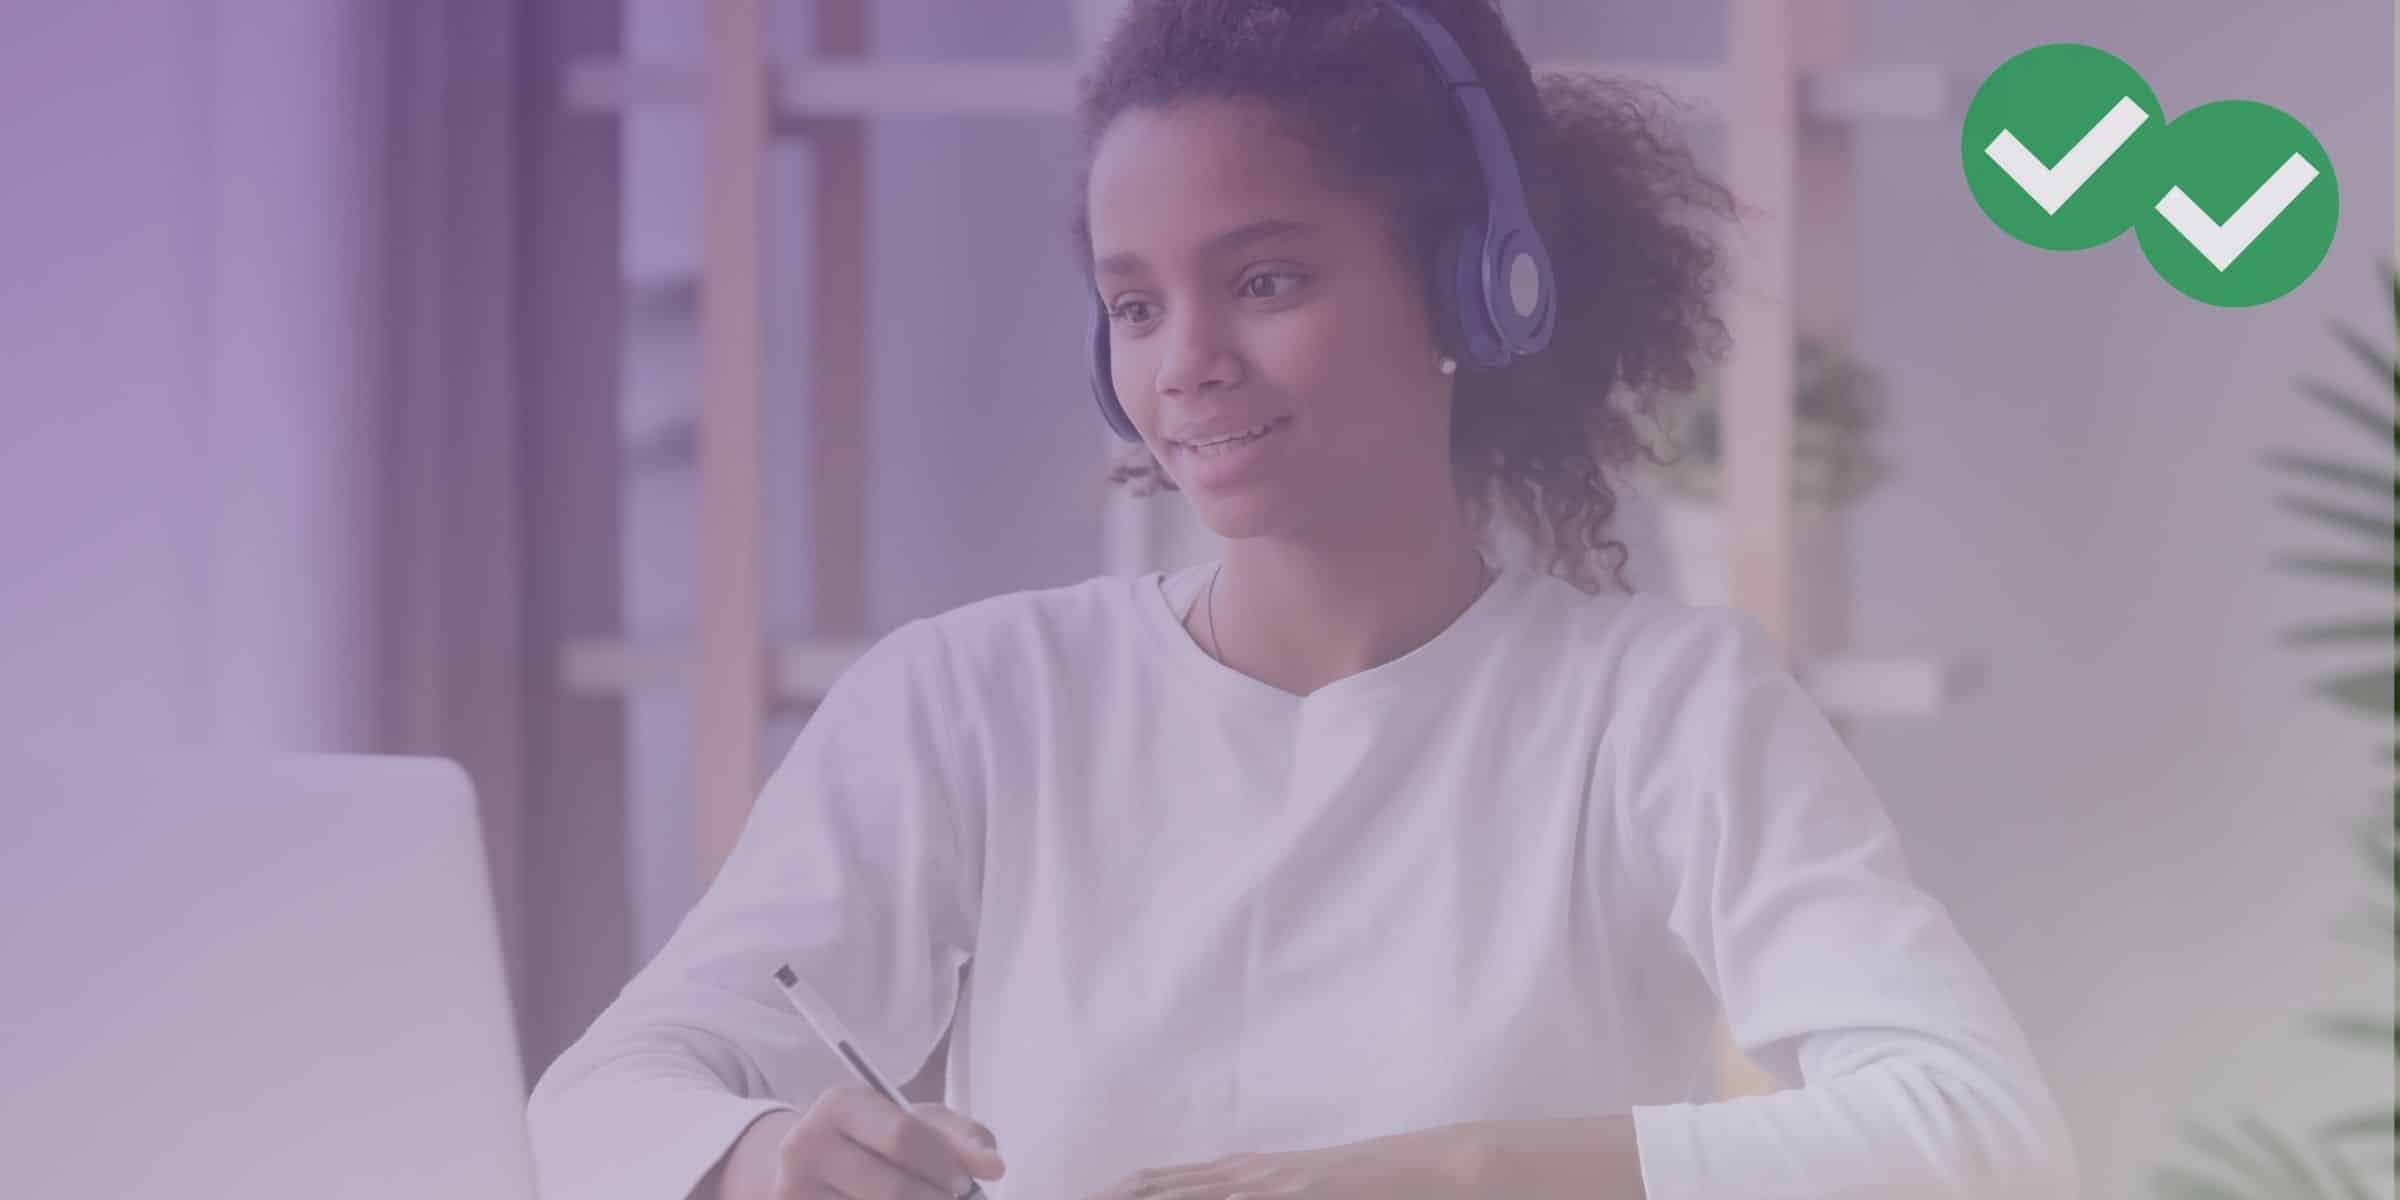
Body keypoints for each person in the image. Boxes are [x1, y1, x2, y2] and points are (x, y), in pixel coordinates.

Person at [525, 2, 2081, 1198]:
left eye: (1265, 280)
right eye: (1136, 305)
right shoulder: (972, 701)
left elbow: (1984, 1135)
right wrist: (754, 1155)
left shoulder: (1663, 709)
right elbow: (601, 1099)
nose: (1183, 360)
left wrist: (1450, 1173)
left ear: (1479, 285)